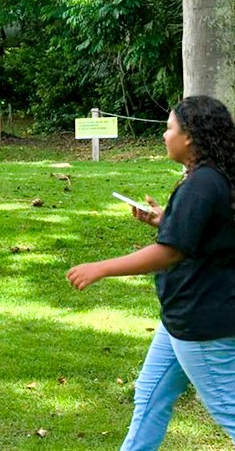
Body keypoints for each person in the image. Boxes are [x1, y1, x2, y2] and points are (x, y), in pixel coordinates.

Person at [68, 95, 235, 450]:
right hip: (181, 318)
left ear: (189, 136)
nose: (164, 135)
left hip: (201, 322)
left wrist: (100, 268)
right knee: (150, 394)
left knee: (228, 411)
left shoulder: (203, 184)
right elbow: (207, 234)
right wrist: (166, 221)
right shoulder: (210, 177)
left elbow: (170, 252)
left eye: (169, 127)